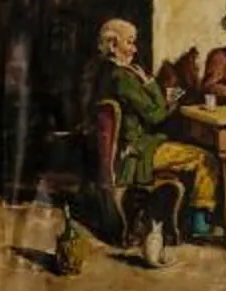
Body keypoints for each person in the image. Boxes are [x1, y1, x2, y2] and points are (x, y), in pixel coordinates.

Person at [89, 18, 219, 241]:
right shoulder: (122, 78)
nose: (134, 48)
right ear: (112, 45)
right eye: (129, 43)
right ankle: (200, 224)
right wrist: (149, 82)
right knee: (205, 159)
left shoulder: (107, 73)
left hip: (131, 148)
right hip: (138, 153)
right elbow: (156, 115)